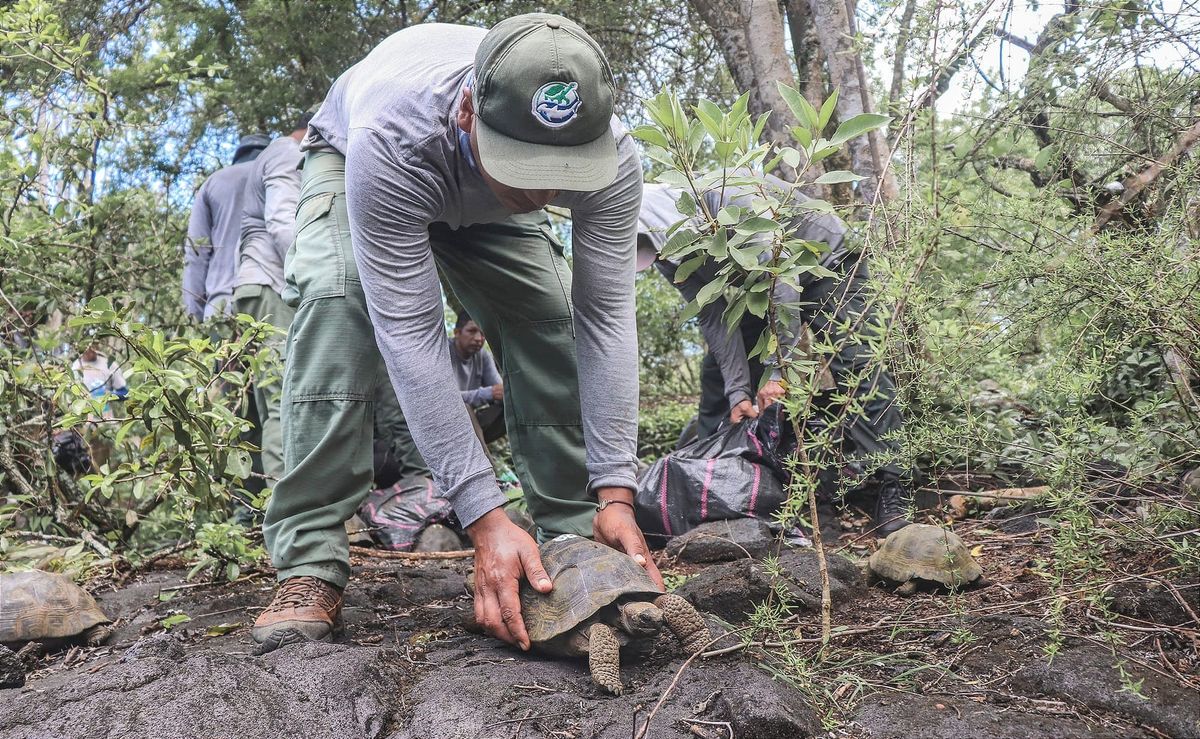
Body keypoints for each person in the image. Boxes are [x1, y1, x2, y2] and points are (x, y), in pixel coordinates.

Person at [253, 14, 657, 655]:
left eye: (563, 171)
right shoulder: (395, 133)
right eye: (525, 166)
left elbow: (604, 320)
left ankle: (575, 530)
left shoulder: (611, 155)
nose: (542, 189)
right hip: (366, 162)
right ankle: (309, 559)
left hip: (475, 191)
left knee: (547, 322)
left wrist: (617, 490)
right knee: (339, 305)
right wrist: (483, 516)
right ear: (469, 109)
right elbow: (411, 335)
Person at [635, 180, 913, 538]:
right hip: (758, 288)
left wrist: (776, 371)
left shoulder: (726, 197)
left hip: (825, 261)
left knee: (856, 365)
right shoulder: (664, 252)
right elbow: (713, 315)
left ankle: (894, 484)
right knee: (718, 380)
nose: (654, 257)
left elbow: (782, 278)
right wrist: (739, 392)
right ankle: (705, 483)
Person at [235, 111, 313, 484]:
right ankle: (286, 503)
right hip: (269, 285)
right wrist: (312, 274)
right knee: (283, 400)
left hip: (257, 287)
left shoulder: (282, 152)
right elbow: (281, 219)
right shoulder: (286, 150)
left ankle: (260, 504)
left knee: (261, 406)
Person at [182, 133, 270, 321]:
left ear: (237, 155)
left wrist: (193, 317)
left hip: (221, 306)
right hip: (272, 300)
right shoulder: (280, 174)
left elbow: (196, 254)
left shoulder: (214, 182)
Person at [449, 312, 506, 443]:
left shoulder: (483, 356)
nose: (478, 338)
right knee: (466, 409)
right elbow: (445, 400)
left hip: (469, 423)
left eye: (483, 333)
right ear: (457, 332)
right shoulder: (443, 352)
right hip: (442, 420)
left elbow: (500, 391)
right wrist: (488, 393)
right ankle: (483, 459)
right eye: (472, 331)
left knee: (509, 408)